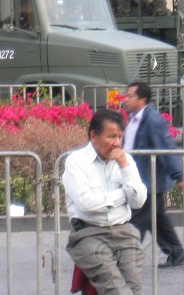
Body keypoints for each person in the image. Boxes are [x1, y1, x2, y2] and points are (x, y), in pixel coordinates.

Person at [62, 109, 147, 295]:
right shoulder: (76, 162)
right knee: (116, 289)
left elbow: (138, 200)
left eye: (119, 137)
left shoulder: (126, 160)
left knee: (135, 289)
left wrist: (124, 166)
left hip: (123, 231)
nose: (116, 143)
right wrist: (121, 196)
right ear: (94, 136)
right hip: (88, 234)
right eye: (111, 137)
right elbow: (87, 203)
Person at [122, 82, 184, 269]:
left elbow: (165, 147)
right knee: (156, 219)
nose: (126, 99)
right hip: (137, 178)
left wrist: (179, 175)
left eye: (130, 96)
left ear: (142, 100)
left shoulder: (152, 120)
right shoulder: (132, 118)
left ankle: (126, 257)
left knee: (138, 220)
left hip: (149, 181)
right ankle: (176, 254)